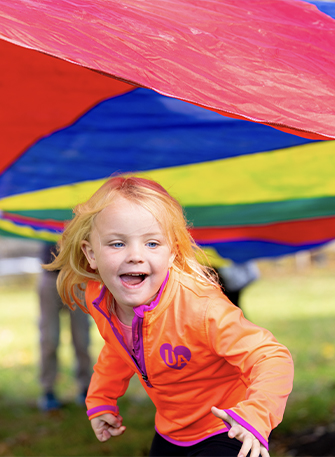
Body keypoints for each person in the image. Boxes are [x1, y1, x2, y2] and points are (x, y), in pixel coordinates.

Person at [45, 175, 294, 457]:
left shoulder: (202, 308)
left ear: (172, 253)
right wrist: (101, 398)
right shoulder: (101, 298)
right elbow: (118, 347)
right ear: (91, 254)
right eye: (117, 244)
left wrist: (256, 414)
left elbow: (271, 357)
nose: (135, 255)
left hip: (228, 428)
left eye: (152, 244)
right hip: (172, 432)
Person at [38, 243, 92, 411]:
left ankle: (86, 389)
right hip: (50, 278)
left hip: (77, 278)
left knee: (81, 340)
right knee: (49, 340)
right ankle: (48, 391)